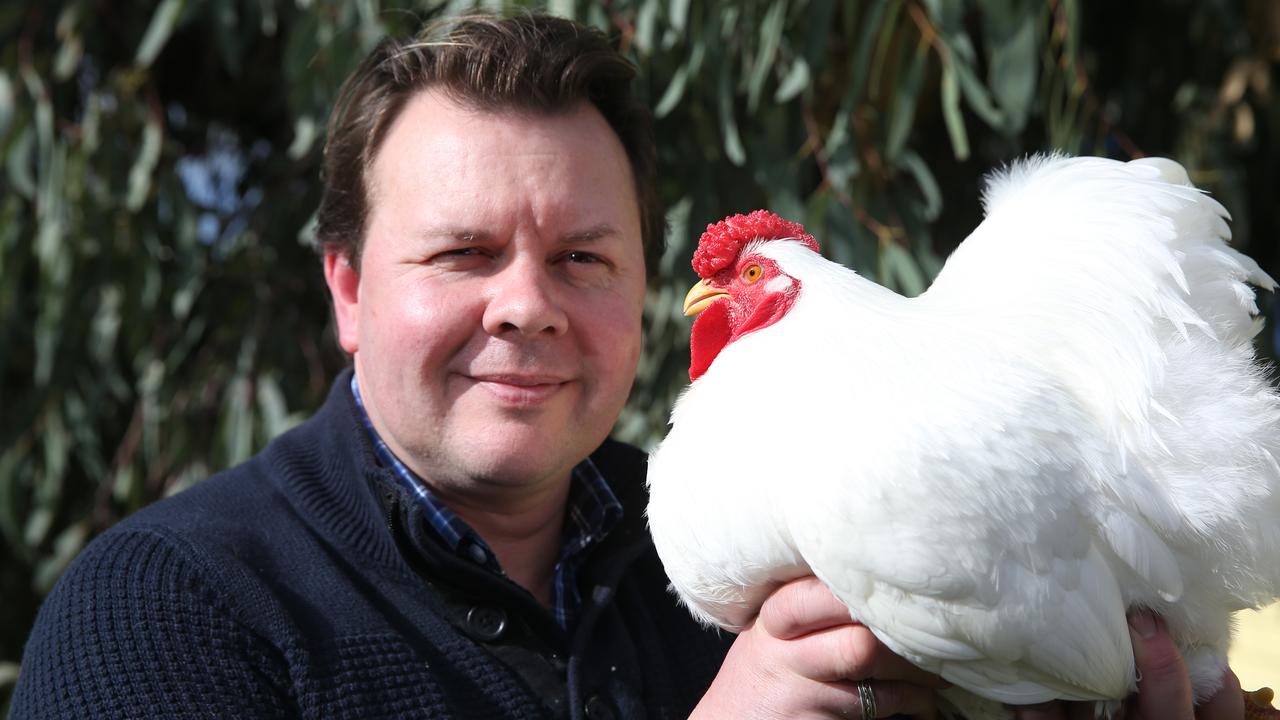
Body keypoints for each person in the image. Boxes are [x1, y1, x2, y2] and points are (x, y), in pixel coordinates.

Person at [11, 13, 1246, 720]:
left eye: (584, 259)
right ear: (345, 288)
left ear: (651, 292)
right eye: (461, 252)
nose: (526, 309)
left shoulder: (770, 543)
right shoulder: (163, 615)